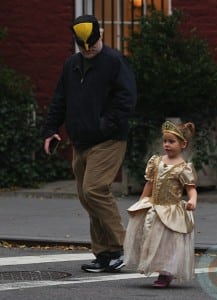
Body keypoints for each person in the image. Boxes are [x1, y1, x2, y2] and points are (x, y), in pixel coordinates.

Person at [41, 14, 137, 273]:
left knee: (94, 189)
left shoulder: (115, 62)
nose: (89, 49)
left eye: (93, 43)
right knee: (87, 196)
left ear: (101, 34)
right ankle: (104, 254)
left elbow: (126, 99)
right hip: (81, 142)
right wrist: (51, 130)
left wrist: (104, 125)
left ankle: (122, 245)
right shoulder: (71, 64)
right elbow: (60, 99)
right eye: (84, 45)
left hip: (108, 140)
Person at [124, 120, 197, 288]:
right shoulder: (155, 162)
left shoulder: (183, 168)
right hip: (154, 208)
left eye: (171, 141)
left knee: (167, 243)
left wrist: (192, 200)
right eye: (165, 141)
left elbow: (191, 189)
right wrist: (142, 200)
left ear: (183, 144)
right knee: (151, 239)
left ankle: (166, 273)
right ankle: (154, 266)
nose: (167, 145)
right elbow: (150, 183)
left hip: (171, 210)